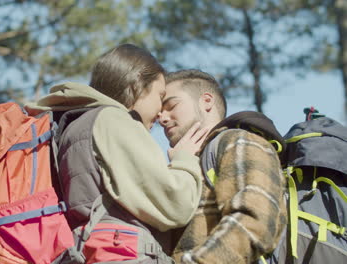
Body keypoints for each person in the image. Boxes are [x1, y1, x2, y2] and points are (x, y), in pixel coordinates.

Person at [24, 44, 203, 263]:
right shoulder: (114, 120)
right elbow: (175, 204)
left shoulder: (74, 123)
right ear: (137, 84)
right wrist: (184, 160)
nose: (160, 112)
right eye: (160, 95)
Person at [158, 69, 287, 264]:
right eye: (159, 112)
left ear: (206, 101)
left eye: (172, 105)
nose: (162, 118)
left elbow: (255, 222)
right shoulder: (186, 162)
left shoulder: (237, 141)